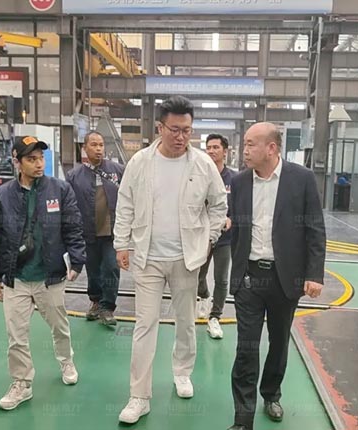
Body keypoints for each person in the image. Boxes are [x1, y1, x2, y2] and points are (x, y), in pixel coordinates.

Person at [114, 96, 228, 424]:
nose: (181, 137)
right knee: (144, 325)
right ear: (160, 128)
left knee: (186, 322)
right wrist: (122, 243)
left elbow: (219, 204)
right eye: (174, 130)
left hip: (186, 259)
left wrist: (209, 239)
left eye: (187, 130)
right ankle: (139, 396)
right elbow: (125, 203)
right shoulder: (140, 162)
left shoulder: (202, 164)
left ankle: (182, 372)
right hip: (147, 257)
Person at [227, 122, 326, 430]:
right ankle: (243, 419)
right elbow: (237, 228)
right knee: (246, 347)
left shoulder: (302, 179)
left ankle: (271, 393)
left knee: (279, 341)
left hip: (286, 279)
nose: (244, 150)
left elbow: (315, 229)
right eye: (244, 143)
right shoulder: (240, 182)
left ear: (271, 148)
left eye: (250, 144)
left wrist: (314, 274)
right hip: (249, 278)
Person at [0, 135, 87, 411]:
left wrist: (77, 261)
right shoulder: (2, 195)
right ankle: (22, 383)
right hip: (16, 278)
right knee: (16, 335)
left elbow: (73, 227)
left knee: (59, 326)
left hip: (50, 275)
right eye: (31, 159)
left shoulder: (60, 189)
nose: (39, 164)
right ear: (17, 162)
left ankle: (66, 360)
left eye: (41, 158)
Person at [66, 131, 124, 326]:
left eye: (101, 145)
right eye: (94, 145)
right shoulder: (74, 176)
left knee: (111, 268)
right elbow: (69, 206)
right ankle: (96, 302)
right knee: (93, 270)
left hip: (112, 233)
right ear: (85, 148)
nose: (98, 149)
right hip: (88, 232)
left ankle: (108, 307)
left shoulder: (118, 171)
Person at [196, 133, 237, 339]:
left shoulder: (234, 179)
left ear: (225, 151)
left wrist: (231, 219)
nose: (211, 151)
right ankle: (203, 296)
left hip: (224, 239)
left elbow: (241, 206)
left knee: (221, 278)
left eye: (216, 147)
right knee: (197, 276)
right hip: (201, 237)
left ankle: (215, 317)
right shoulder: (199, 176)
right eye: (209, 147)